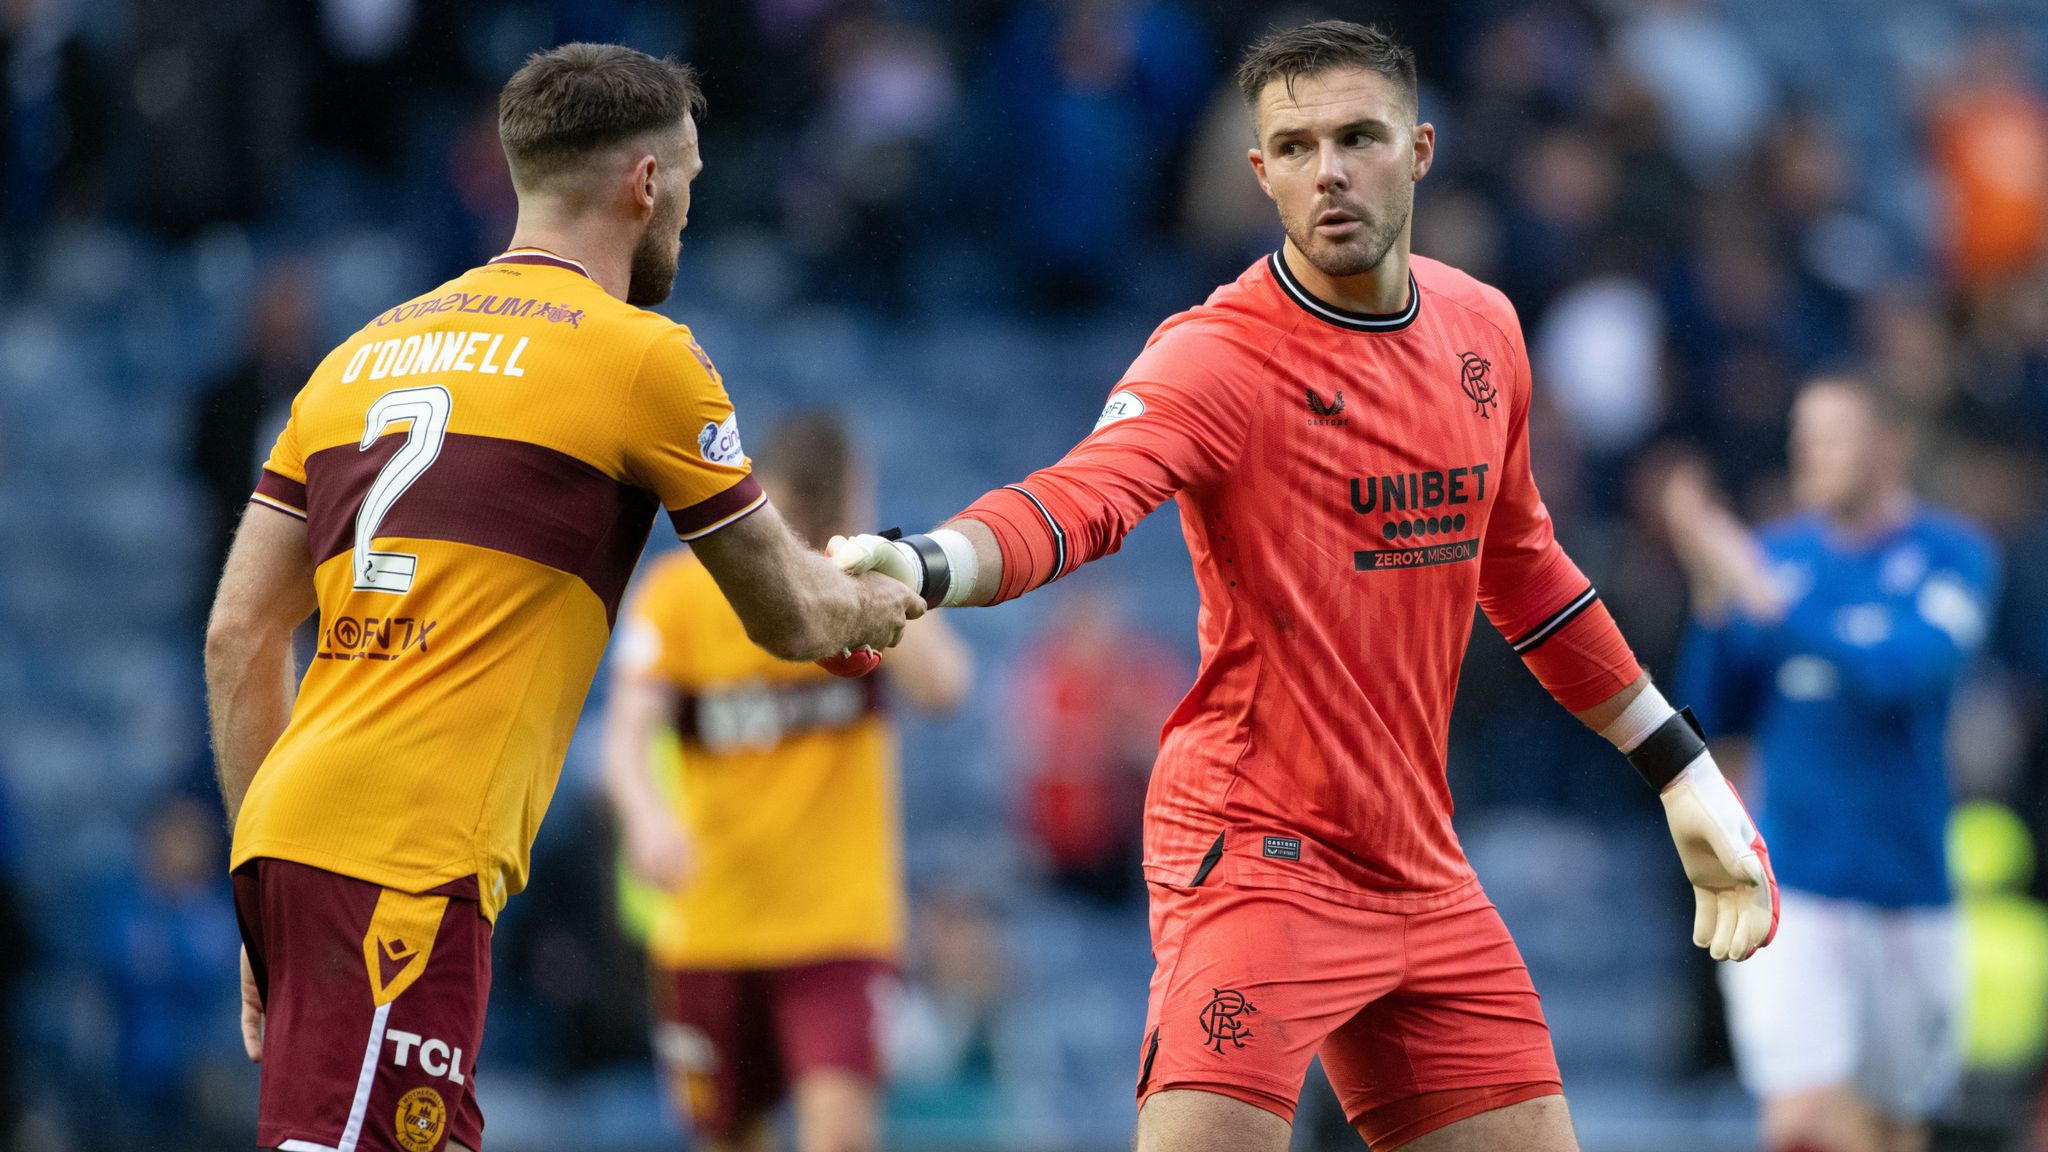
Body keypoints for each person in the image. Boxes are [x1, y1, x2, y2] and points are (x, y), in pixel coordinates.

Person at [831, 20, 1777, 1152]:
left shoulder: (1483, 330)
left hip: (1420, 863)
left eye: (1356, 136)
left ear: (1418, 150)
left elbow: (1522, 569)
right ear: (1259, 172)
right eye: (1293, 146)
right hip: (1256, 853)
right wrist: (933, 561)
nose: (1326, 168)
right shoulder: (1216, 356)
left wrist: (1677, 768)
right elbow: (1081, 499)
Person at [202, 44, 922, 1152]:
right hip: (401, 863)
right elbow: (794, 615)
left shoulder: (352, 361)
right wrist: (898, 585)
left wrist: (263, 892)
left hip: (306, 837)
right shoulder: (640, 360)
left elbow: (236, 634)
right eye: (686, 176)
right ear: (644, 184)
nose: (688, 202)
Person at [604, 412, 970, 1152]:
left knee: (838, 1136)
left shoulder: (858, 589)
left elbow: (946, 687)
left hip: (839, 926)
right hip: (713, 921)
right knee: (730, 1138)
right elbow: (625, 738)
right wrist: (646, 818)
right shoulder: (680, 595)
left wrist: (871, 560)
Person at [1665, 376, 1999, 1152]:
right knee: (1805, 1121)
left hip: (1908, 885)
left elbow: (1902, 675)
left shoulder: (1953, 555)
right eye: (1803, 436)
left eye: (1832, 436)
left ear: (1891, 446)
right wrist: (1716, 601)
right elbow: (1711, 710)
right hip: (1794, 886)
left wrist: (1762, 595)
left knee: (1890, 1126)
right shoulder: (1776, 558)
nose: (1809, 453)